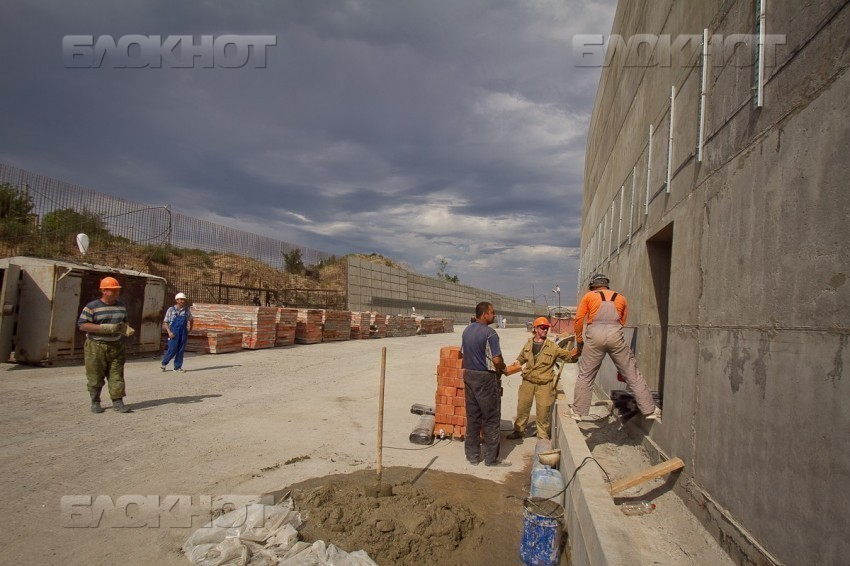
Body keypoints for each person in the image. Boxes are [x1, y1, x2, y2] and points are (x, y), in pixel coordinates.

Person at [571, 274, 661, 421]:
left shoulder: (589, 297)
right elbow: (622, 321)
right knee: (633, 375)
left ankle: (578, 412)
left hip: (594, 336)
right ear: (607, 285)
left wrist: (580, 341)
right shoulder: (621, 298)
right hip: (615, 335)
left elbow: (579, 319)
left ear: (593, 286)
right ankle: (649, 410)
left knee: (586, 375)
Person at [507, 317, 576, 440]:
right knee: (522, 408)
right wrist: (515, 363)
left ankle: (542, 435)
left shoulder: (552, 347)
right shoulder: (528, 344)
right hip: (528, 381)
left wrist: (577, 352)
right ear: (535, 329)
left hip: (544, 384)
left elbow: (568, 357)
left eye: (546, 328)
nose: (545, 330)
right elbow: (521, 358)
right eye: (542, 328)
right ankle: (518, 431)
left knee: (543, 411)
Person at [461, 301, 509, 467]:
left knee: (473, 417)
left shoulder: (467, 331)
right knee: (490, 418)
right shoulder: (490, 334)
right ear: (484, 314)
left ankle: (472, 456)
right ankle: (491, 459)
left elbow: (462, 354)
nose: (494, 315)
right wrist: (504, 368)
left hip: (468, 375)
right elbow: (496, 359)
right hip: (485, 378)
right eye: (492, 312)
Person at [77, 276, 135, 414]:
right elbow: (82, 325)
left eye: (117, 290)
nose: (115, 293)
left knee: (116, 375)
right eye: (112, 290)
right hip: (96, 346)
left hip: (116, 345)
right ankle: (95, 401)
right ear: (104, 291)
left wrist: (126, 328)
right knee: (95, 375)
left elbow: (124, 322)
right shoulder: (92, 307)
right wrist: (105, 328)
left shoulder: (121, 306)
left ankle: (118, 401)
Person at [161, 292, 194, 373]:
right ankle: (164, 363)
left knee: (181, 350)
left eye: (183, 299)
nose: (182, 301)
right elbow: (166, 322)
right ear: (176, 300)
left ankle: (177, 367)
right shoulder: (171, 309)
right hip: (174, 332)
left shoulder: (186, 310)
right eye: (181, 299)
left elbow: (191, 319)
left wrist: (190, 328)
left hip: (183, 332)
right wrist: (169, 332)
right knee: (172, 349)